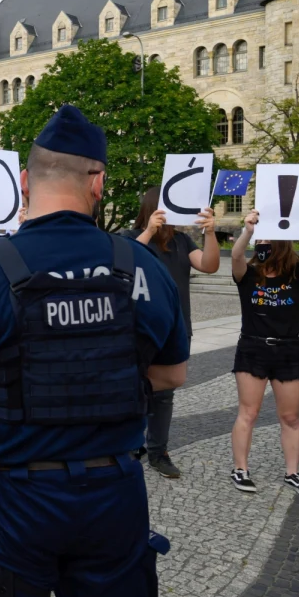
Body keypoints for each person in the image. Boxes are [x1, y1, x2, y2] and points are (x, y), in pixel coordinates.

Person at [0, 104, 189, 597]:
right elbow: (172, 376)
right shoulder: (141, 264)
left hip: (12, 497)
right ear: (98, 181)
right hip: (112, 492)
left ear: (22, 183)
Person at [229, 205, 299, 497]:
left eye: (265, 241)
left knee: (291, 417)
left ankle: (293, 473)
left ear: (280, 245)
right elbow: (235, 255)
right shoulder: (247, 275)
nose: (261, 245)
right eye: (258, 241)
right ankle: (240, 469)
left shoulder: (296, 275)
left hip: (288, 351)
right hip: (252, 348)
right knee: (249, 412)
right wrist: (247, 230)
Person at [125, 186, 220, 478]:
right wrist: (149, 232)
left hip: (175, 327)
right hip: (136, 329)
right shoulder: (130, 238)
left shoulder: (181, 241)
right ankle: (128, 447)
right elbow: (127, 260)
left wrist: (211, 233)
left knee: (164, 395)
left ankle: (158, 452)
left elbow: (210, 265)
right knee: (131, 390)